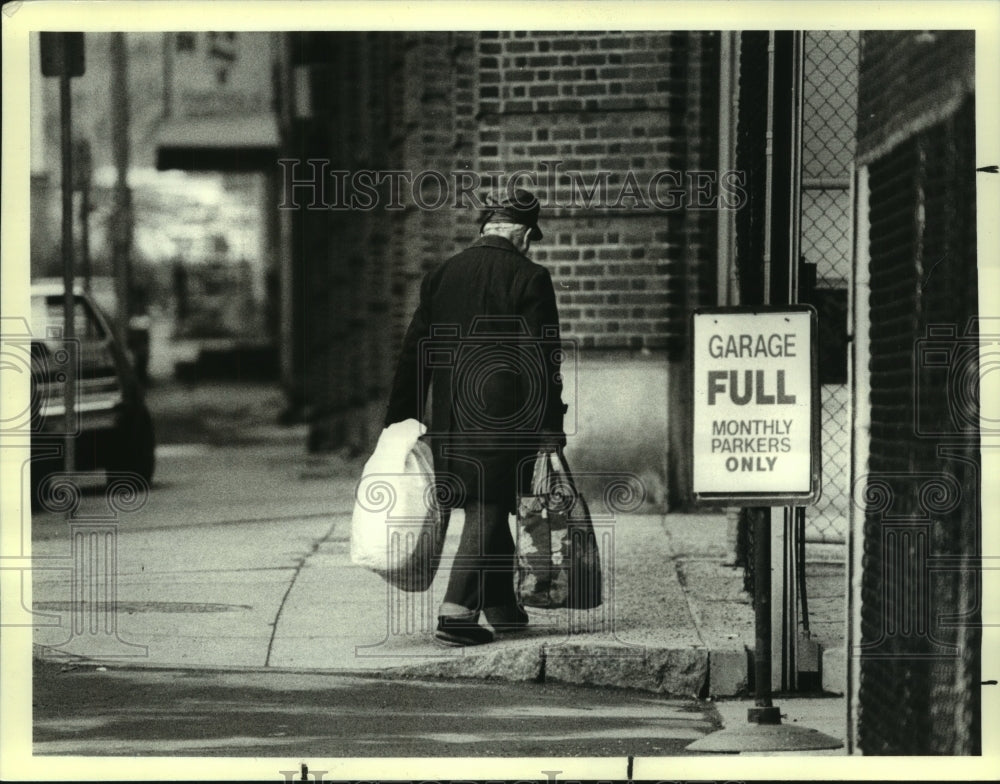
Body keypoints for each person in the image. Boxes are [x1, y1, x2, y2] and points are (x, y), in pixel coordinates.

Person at [384, 188, 567, 646]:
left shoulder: (442, 274)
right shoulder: (530, 277)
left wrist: (401, 420)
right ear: (523, 234)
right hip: (505, 421)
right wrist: (550, 431)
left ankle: (502, 607)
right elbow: (540, 360)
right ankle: (456, 614)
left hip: (449, 420)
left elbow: (414, 353)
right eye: (531, 238)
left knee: (489, 504)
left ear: (486, 227)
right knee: (487, 509)